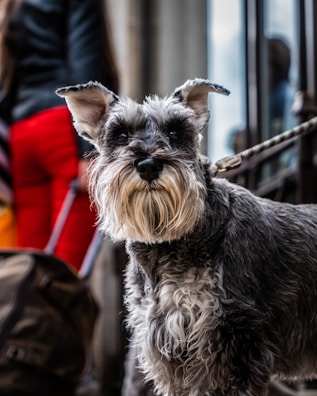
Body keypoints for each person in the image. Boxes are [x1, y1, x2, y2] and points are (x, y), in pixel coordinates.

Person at [0, 0, 119, 271]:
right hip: (63, 130)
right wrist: (89, 151)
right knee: (66, 271)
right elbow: (85, 70)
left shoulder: (16, 5)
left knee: (27, 267)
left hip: (23, 132)